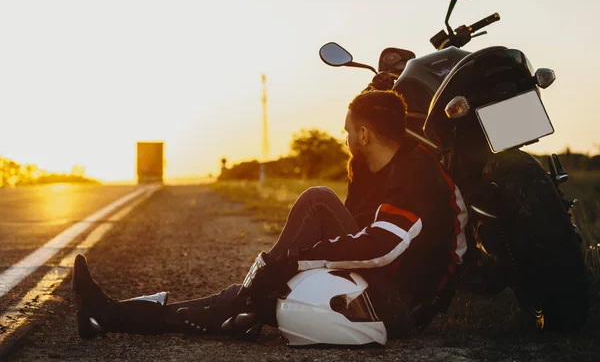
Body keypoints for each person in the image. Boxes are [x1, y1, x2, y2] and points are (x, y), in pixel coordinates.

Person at [72, 89, 468, 342]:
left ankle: (246, 293)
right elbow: (350, 240)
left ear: (364, 134)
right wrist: (292, 265)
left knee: (315, 201)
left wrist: (294, 261)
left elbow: (382, 245)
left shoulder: (416, 172)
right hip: (377, 284)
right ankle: (115, 314)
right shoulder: (372, 172)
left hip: (398, 306)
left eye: (349, 131)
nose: (345, 139)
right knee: (253, 294)